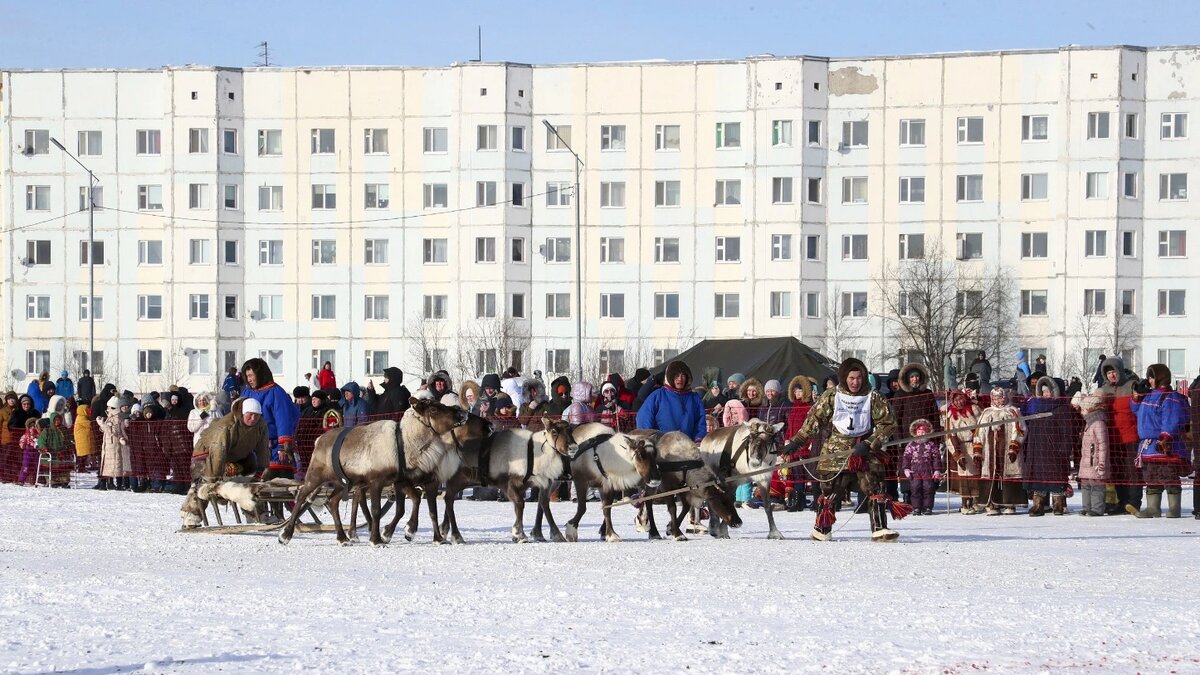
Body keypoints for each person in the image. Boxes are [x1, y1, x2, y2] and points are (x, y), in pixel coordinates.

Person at [781, 357, 901, 541]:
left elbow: (889, 424)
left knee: (875, 486)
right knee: (829, 490)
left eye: (859, 378)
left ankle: (880, 528)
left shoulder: (874, 397)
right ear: (845, 377)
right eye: (852, 378)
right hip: (836, 452)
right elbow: (814, 420)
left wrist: (870, 443)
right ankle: (822, 529)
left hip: (864, 450)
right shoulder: (831, 396)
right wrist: (797, 441)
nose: (855, 382)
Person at [1131, 364, 1190, 519]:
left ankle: (1174, 508)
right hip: (1147, 446)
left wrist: (1165, 437)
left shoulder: (1170, 397)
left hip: (1164, 445)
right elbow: (1137, 411)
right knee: (1151, 476)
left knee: (1168, 475)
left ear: (1160, 378)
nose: (1149, 380)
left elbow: (1171, 418)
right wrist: (1136, 397)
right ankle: (1153, 508)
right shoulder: (1148, 396)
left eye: (1151, 377)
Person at [1021, 376, 1076, 516]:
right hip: (1037, 451)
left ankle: (1059, 505)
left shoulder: (1062, 409)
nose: (1045, 394)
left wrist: (1064, 449)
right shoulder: (1037, 408)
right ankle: (1038, 505)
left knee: (1056, 478)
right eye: (1043, 391)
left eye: (1048, 391)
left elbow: (1067, 432)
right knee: (1038, 479)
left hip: (1054, 451)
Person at [239, 357, 300, 480]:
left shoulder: (276, 393)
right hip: (252, 445)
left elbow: (284, 420)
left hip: (273, 447)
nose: (249, 379)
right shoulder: (247, 392)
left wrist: (283, 446)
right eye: (247, 376)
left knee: (277, 484)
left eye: (252, 375)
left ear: (260, 374)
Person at [890, 362, 941, 504]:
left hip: (927, 438)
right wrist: (898, 439)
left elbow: (934, 416)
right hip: (906, 440)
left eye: (917, 376)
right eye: (912, 377)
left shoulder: (928, 394)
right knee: (907, 467)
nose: (915, 379)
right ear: (907, 379)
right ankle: (907, 495)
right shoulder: (900, 395)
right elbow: (896, 420)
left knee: (928, 466)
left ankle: (927, 498)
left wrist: (937, 437)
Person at [1097, 356, 1141, 514]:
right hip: (1112, 438)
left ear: (1120, 371)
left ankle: (1134, 502)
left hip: (1130, 436)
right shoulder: (1103, 390)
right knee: (1117, 472)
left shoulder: (1131, 386)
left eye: (1114, 371)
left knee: (1132, 472)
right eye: (1108, 373)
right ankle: (1122, 502)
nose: (1112, 375)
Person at [977, 386, 1027, 514]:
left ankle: (1010, 504)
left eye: (1000, 398)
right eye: (995, 398)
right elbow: (979, 432)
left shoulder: (1012, 411)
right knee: (992, 473)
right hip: (990, 450)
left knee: (1008, 474)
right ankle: (993, 504)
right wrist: (978, 449)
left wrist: (1014, 447)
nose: (998, 401)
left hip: (1007, 450)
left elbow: (1020, 429)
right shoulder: (986, 412)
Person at [636, 361, 706, 442]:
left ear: (687, 377)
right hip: (663, 447)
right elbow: (643, 418)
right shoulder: (658, 396)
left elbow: (700, 421)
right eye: (676, 375)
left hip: (687, 446)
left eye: (683, 375)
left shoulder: (694, 398)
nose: (680, 379)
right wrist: (649, 441)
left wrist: (699, 438)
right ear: (671, 377)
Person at [942, 389, 982, 514]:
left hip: (975, 443)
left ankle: (976, 500)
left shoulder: (974, 409)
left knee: (976, 473)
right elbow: (949, 434)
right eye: (956, 400)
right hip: (961, 446)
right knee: (964, 475)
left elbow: (982, 427)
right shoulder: (950, 414)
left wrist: (979, 447)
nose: (959, 402)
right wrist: (956, 453)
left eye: (961, 399)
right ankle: (965, 502)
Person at [1072, 392, 1109, 517]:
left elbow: (1103, 445)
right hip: (1086, 461)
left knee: (1097, 485)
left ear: (1091, 409)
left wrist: (1102, 463)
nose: (1081, 411)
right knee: (1086, 484)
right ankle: (1086, 507)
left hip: (1096, 462)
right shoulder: (1089, 423)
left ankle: (1097, 508)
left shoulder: (1098, 423)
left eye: (1083, 408)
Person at [902, 419, 943, 516]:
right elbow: (906, 457)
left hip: (927, 470)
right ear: (915, 433)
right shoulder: (911, 444)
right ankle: (916, 508)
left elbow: (936, 458)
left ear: (927, 433)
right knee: (915, 488)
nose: (921, 434)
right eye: (919, 432)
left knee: (928, 488)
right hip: (914, 470)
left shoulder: (931, 445)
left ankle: (928, 507)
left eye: (923, 432)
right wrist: (906, 469)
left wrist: (937, 470)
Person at [73, 403, 94, 472]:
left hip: (84, 439)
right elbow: (89, 424)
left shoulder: (82, 417)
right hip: (82, 440)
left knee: (83, 454)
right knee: (82, 455)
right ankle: (81, 468)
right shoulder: (81, 418)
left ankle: (82, 467)